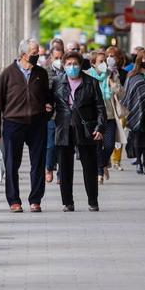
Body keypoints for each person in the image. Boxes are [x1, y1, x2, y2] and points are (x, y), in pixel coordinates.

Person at [0, 39, 55, 213]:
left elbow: (48, 98)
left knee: (38, 163)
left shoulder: (41, 73)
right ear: (23, 54)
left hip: (37, 123)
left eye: (38, 53)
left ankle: (35, 200)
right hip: (13, 124)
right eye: (34, 53)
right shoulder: (8, 74)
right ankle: (14, 201)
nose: (37, 56)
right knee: (12, 163)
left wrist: (48, 112)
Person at [52, 51, 106, 212]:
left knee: (89, 166)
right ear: (63, 65)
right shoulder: (56, 82)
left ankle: (93, 201)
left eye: (75, 64)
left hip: (85, 128)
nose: (72, 67)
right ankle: (67, 202)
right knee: (65, 167)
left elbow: (100, 108)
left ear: (81, 64)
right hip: (64, 127)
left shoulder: (91, 82)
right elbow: (49, 104)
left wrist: (100, 127)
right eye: (68, 64)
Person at [86, 51, 118, 184]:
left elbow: (120, 93)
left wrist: (113, 84)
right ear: (93, 64)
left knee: (109, 145)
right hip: (94, 116)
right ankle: (99, 173)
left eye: (104, 60)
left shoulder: (111, 75)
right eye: (100, 61)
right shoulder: (87, 76)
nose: (103, 63)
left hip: (109, 115)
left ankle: (103, 164)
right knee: (98, 146)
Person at [43, 45, 66, 184]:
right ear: (51, 57)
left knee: (62, 145)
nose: (58, 60)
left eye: (60, 58)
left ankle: (61, 173)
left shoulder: (68, 72)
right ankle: (49, 168)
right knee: (50, 144)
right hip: (50, 115)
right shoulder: (45, 72)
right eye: (56, 58)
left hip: (64, 115)